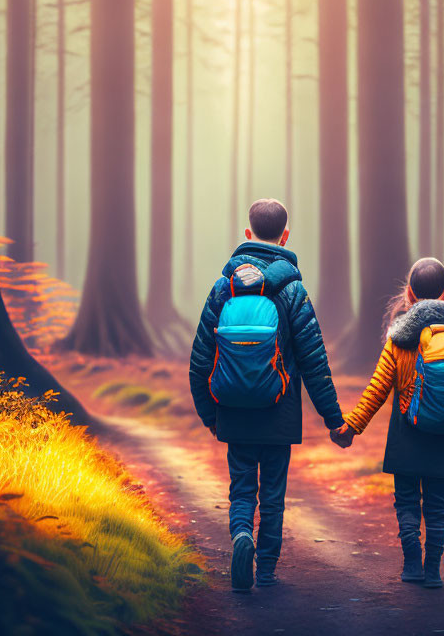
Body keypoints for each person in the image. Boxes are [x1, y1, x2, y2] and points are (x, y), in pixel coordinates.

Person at [189, 198, 344, 593]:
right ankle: (268, 570)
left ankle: (242, 535)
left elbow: (200, 358)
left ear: (247, 234)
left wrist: (211, 415)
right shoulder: (293, 291)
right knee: (273, 493)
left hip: (235, 412)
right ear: (285, 235)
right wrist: (334, 420)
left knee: (242, 487)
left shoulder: (223, 288)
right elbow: (314, 362)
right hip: (280, 413)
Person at [331, 257, 444, 589]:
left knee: (406, 500)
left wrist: (351, 427)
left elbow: (377, 388)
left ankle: (412, 564)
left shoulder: (398, 340)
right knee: (437, 505)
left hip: (406, 434)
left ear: (410, 296)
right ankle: (434, 571)